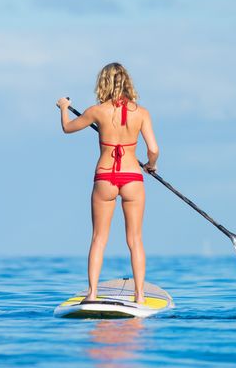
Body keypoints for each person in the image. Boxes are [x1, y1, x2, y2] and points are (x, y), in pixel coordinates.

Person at [56, 62, 159, 304]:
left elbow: (67, 128)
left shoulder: (96, 111)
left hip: (105, 178)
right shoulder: (142, 113)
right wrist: (151, 165)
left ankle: (92, 294)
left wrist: (64, 107)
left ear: (103, 83)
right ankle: (139, 296)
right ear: (127, 83)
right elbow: (153, 150)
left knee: (98, 238)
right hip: (132, 177)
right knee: (135, 239)